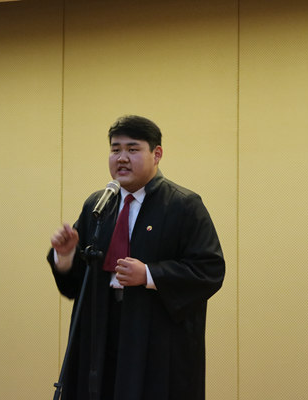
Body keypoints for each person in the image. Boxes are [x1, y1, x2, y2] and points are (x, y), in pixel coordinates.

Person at [48, 115, 225, 400]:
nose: (122, 158)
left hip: (154, 334)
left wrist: (149, 274)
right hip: (100, 333)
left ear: (157, 154)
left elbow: (209, 270)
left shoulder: (183, 205)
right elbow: (77, 284)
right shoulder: (98, 205)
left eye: (132, 149)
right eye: (115, 149)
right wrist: (66, 257)